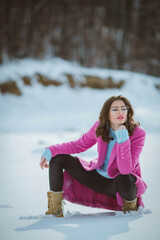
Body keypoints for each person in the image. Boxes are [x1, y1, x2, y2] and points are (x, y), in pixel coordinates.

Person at [40, 95, 147, 217]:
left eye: (123, 108)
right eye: (115, 109)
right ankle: (55, 211)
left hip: (119, 185)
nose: (120, 112)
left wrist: (123, 137)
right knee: (58, 159)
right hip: (97, 179)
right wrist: (52, 150)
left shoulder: (138, 133)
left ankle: (129, 211)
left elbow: (125, 169)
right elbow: (79, 145)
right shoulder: (100, 127)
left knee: (125, 177)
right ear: (107, 113)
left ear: (128, 111)